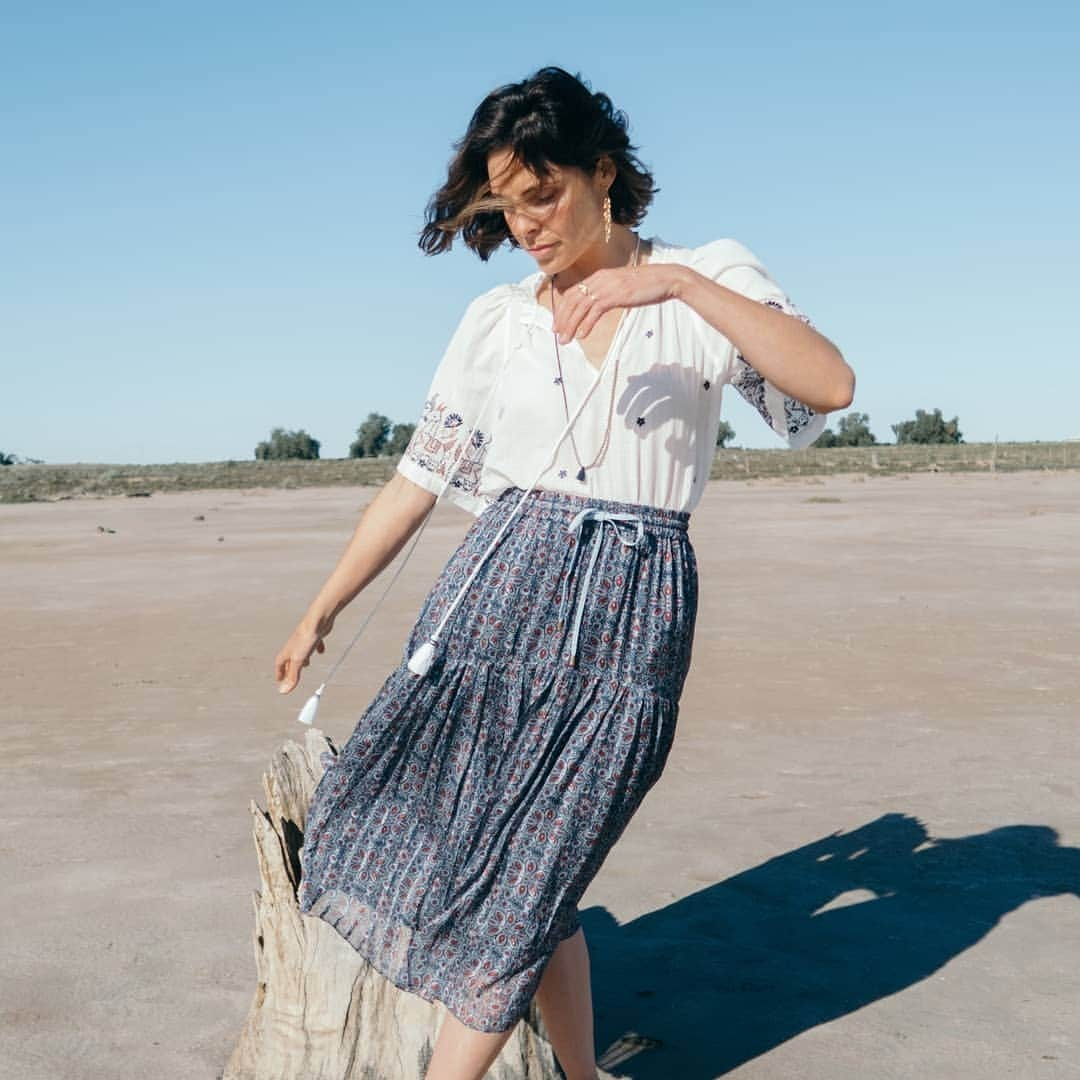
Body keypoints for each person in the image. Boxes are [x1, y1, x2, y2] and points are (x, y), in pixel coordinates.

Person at [274, 65, 854, 1080]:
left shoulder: (703, 279)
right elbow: (417, 482)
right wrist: (323, 606)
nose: (529, 224)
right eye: (508, 204)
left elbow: (829, 385)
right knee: (486, 856)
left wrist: (668, 282)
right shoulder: (498, 322)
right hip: (497, 591)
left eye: (544, 195)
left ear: (603, 170)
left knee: (541, 862)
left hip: (631, 610)